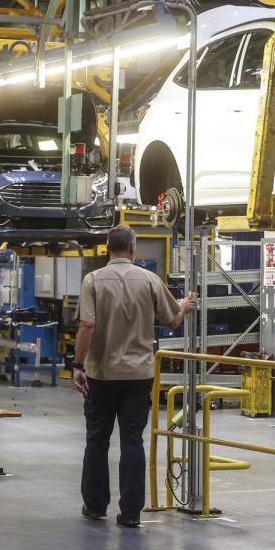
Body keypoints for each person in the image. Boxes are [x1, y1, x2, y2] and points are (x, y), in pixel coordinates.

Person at [74, 225, 195, 528]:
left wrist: (78, 365)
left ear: (107, 247)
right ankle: (130, 512)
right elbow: (173, 320)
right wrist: (183, 306)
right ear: (132, 248)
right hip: (138, 376)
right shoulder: (150, 279)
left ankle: (95, 505)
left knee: (97, 440)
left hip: (101, 374)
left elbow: (86, 326)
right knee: (132, 440)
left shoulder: (93, 280)